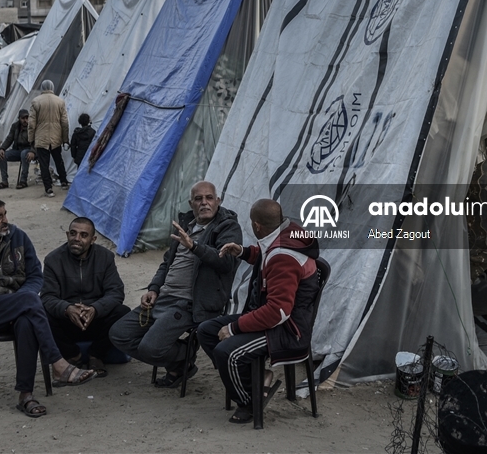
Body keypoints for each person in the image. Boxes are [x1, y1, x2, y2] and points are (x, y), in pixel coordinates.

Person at [0, 197, 96, 418]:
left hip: (19, 306)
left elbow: (34, 276)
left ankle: (26, 396)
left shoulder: (18, 237)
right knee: (31, 303)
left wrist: (21, 298)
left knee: (26, 319)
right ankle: (59, 365)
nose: (5, 220)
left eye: (5, 214)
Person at [198, 199, 320, 424]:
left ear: (256, 226)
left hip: (286, 329)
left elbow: (278, 312)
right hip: (270, 317)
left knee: (226, 352)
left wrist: (234, 328)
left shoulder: (284, 256)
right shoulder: (284, 232)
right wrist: (244, 252)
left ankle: (250, 401)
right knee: (206, 331)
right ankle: (254, 380)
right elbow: (267, 256)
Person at [109, 181, 242, 388]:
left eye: (209, 198)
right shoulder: (186, 224)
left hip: (191, 303)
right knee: (118, 334)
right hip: (163, 298)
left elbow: (226, 263)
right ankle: (180, 362)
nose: (204, 203)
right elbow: (166, 262)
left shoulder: (227, 226)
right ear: (191, 203)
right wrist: (153, 289)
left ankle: (185, 354)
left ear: (218, 201)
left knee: (149, 349)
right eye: (198, 199)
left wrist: (195, 246)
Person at [41, 217, 130, 376]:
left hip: (96, 320)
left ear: (93, 239)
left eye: (83, 235)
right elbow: (47, 297)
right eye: (73, 233)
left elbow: (116, 292)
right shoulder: (53, 260)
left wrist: (95, 309)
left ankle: (96, 355)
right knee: (41, 313)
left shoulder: (105, 257)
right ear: (67, 234)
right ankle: (72, 355)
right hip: (68, 322)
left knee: (123, 312)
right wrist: (67, 308)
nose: (77, 239)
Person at [27, 80, 69, 197]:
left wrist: (31, 139)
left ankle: (49, 189)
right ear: (52, 87)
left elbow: (31, 124)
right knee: (58, 160)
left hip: (41, 138)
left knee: (44, 164)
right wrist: (65, 139)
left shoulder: (36, 102)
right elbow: (64, 122)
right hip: (56, 137)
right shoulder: (60, 101)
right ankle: (64, 182)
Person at [0, 109, 34, 190]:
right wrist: (2, 148)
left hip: (29, 150)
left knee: (24, 154)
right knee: (3, 155)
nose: (25, 120)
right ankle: (4, 181)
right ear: (19, 118)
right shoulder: (15, 126)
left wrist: (33, 151)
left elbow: (37, 141)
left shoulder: (32, 126)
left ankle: (23, 181)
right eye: (23, 118)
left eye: (27, 118)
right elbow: (9, 138)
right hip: (18, 150)